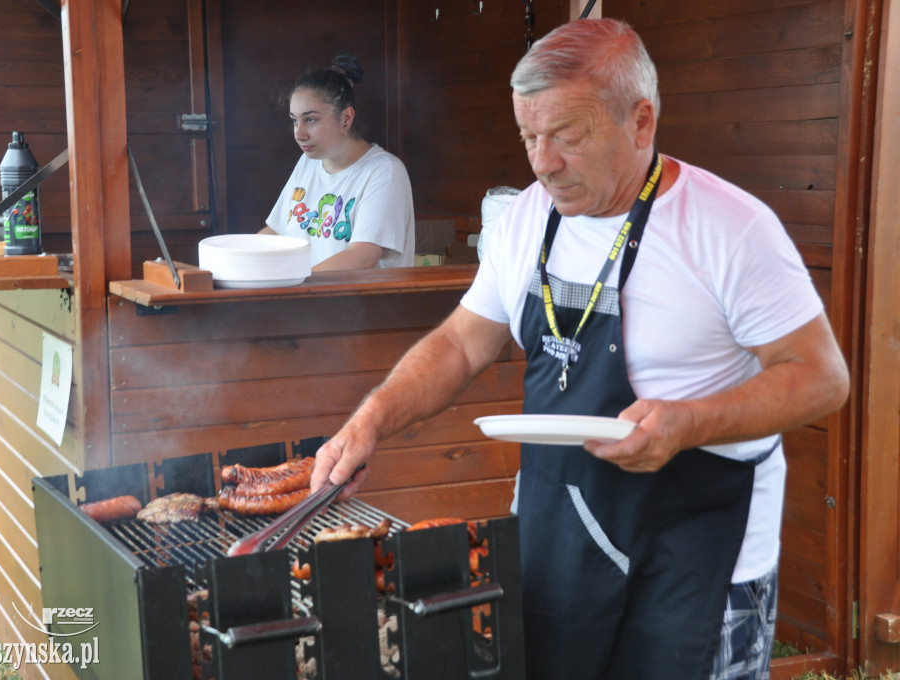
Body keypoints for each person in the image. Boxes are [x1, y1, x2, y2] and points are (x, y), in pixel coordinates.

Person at [310, 18, 850, 680]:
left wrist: (687, 423)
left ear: (641, 122)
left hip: (698, 553)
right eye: (529, 137)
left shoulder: (731, 230)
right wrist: (370, 420)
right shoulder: (524, 220)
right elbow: (459, 343)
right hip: (558, 543)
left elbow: (821, 378)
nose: (542, 162)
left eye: (567, 137)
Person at [261, 54, 415, 271]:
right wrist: (237, 258)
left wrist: (292, 282)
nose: (299, 133)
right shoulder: (308, 163)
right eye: (295, 120)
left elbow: (362, 257)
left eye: (310, 120)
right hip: (305, 300)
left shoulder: (384, 171)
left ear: (346, 118)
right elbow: (276, 231)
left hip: (363, 305)